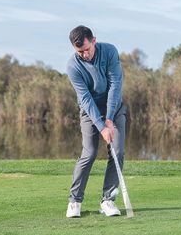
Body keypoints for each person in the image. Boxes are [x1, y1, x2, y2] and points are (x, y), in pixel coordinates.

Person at [65, 25, 127, 218]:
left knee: (117, 150)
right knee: (89, 152)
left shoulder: (109, 51)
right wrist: (101, 125)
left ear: (94, 41)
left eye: (87, 49)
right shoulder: (73, 66)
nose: (84, 54)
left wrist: (108, 119)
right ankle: (75, 200)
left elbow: (115, 86)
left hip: (114, 107)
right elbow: (85, 99)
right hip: (89, 110)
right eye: (79, 51)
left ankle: (108, 200)